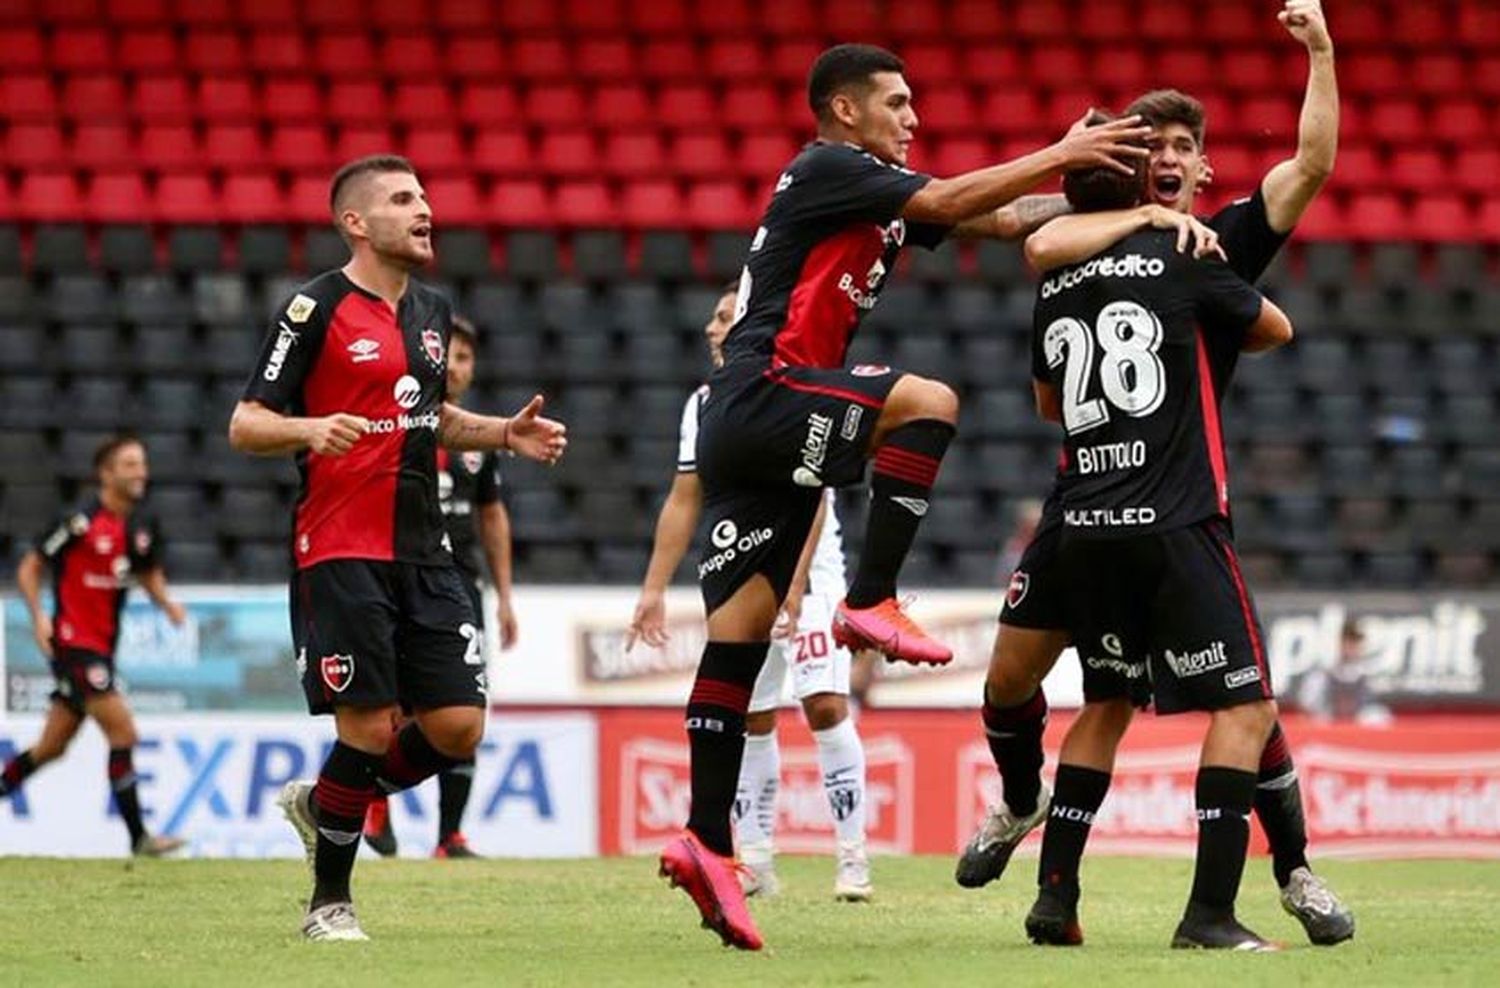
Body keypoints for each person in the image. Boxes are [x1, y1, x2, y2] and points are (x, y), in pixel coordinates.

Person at [656, 42, 1157, 951]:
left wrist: (1116, 199)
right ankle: (870, 598)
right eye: (896, 101)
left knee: (736, 644)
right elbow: (950, 197)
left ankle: (706, 841)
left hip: (749, 423)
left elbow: (1000, 220)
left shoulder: (872, 195)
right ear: (845, 111)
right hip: (772, 388)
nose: (912, 116)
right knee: (929, 403)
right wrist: (1057, 152)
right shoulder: (831, 167)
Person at [957, 0, 1352, 949]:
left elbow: (1310, 166)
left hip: (1110, 509)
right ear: (1133, 167)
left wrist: (1320, 54)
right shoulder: (1153, 244)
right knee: (1232, 696)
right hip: (1154, 511)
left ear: (1204, 167)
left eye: (1185, 144)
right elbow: (1272, 328)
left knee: (1169, 697)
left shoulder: (1206, 234)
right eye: (1153, 146)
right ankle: (1205, 898)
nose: (1169, 158)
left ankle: (1291, 870)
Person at [228, 154, 566, 941]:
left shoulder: (434, 310)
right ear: (356, 223)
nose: (426, 209)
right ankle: (329, 905)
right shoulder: (313, 310)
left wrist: (504, 434)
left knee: (456, 728)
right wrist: (309, 429)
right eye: (404, 199)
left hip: (425, 552)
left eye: (425, 196)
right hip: (341, 548)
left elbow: (433, 419)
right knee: (368, 730)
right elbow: (246, 423)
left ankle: (326, 803)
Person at [1025, 119, 1297, 949]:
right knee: (1245, 707)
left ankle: (1053, 895)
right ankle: (1211, 913)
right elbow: (1278, 329)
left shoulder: (1061, 268)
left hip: (1086, 517)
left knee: (1103, 701)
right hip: (1178, 516)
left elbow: (1046, 404)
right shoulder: (1188, 250)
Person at [629, 285, 874, 903]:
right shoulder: (702, 404)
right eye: (712, 317)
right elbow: (685, 496)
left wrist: (793, 587)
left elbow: (816, 494)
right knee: (753, 716)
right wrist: (653, 589)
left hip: (808, 576)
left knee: (823, 704)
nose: (714, 327)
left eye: (725, 316)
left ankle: (853, 857)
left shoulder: (793, 384)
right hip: (743, 570)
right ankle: (758, 857)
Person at [362, 314, 519, 860]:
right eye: (449, 353)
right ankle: (375, 803)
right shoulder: (393, 419)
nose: (456, 365)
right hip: (399, 576)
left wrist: (504, 595)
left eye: (467, 358)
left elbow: (493, 518)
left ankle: (449, 836)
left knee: (466, 701)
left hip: (460, 584)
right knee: (397, 704)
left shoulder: (480, 442)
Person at [0, 435, 188, 857]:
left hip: (101, 648)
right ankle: (141, 838)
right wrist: (39, 618)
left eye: (142, 464)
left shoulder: (141, 527)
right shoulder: (78, 522)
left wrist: (168, 606)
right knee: (124, 730)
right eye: (130, 464)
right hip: (73, 645)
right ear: (106, 474)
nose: (140, 472)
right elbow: (30, 568)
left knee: (51, 748)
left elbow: (147, 573)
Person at [1296, 619, 1390, 725]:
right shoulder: (1323, 671)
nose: (1351, 647)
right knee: (1318, 717)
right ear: (1340, 642)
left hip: (1358, 723)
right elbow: (1306, 702)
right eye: (1348, 641)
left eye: (1356, 642)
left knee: (1378, 716)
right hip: (1330, 720)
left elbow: (1373, 702)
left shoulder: (1368, 671)